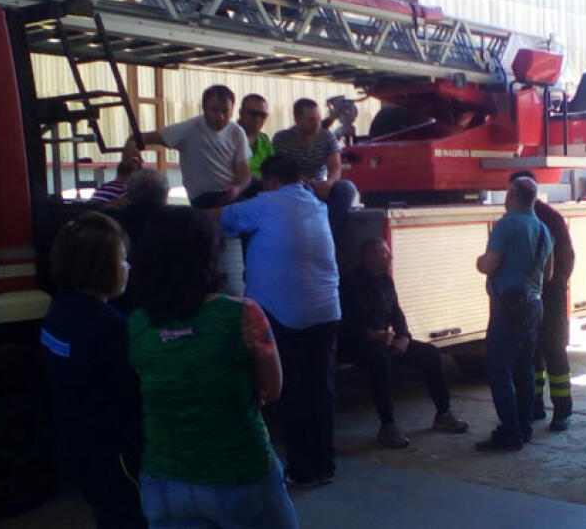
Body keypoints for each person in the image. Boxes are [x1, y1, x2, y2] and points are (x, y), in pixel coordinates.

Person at [127, 206, 296, 529]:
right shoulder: (243, 315)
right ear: (208, 253)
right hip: (239, 474)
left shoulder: (136, 323)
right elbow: (273, 390)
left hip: (163, 482)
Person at [220, 155, 341, 487]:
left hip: (288, 313)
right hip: (326, 310)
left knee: (292, 393)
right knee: (320, 390)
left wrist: (230, 195)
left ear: (270, 181)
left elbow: (219, 220)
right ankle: (324, 465)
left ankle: (302, 470)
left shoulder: (268, 202)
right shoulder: (315, 203)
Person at [39, 212, 145, 529]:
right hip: (117, 456)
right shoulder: (111, 328)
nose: (129, 267)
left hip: (77, 443)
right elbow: (137, 392)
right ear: (100, 268)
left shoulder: (58, 311)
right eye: (123, 259)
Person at [340, 237, 470, 448]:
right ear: (369, 256)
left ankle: (443, 414)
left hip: (386, 340)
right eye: (384, 253)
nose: (390, 257)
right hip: (358, 343)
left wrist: (403, 337)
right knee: (381, 362)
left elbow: (396, 312)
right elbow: (343, 325)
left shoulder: (386, 280)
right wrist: (371, 336)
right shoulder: (349, 285)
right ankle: (388, 427)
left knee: (430, 353)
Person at [474, 177, 554, 451]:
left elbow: (490, 263)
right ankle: (524, 426)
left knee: (498, 368)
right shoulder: (543, 228)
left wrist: (480, 262)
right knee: (524, 367)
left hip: (510, 305)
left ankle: (509, 431)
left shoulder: (507, 224)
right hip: (534, 304)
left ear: (511, 195)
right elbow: (550, 273)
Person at [509, 170, 576, 432]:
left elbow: (566, 257)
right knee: (532, 351)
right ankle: (535, 405)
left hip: (545, 292)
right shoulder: (542, 217)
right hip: (539, 292)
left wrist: (556, 285)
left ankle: (561, 410)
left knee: (552, 349)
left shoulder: (543, 217)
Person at [122, 84, 251, 208]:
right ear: (204, 109)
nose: (220, 117)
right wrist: (130, 144)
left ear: (232, 110)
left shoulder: (237, 132)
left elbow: (244, 174)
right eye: (214, 110)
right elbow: (141, 138)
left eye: (225, 111)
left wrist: (237, 189)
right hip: (204, 197)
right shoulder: (188, 129)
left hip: (231, 193)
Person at [272, 98, 358, 241]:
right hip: (296, 185)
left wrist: (328, 183)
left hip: (321, 185)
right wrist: (311, 183)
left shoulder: (327, 137)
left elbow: (335, 167)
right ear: (297, 119)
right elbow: (285, 170)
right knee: (304, 191)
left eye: (318, 119)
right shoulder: (282, 138)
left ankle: (331, 235)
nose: (317, 124)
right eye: (311, 120)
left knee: (347, 188)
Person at [109, 168, 170, 315]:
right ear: (166, 193)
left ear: (128, 194)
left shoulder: (111, 221)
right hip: (169, 303)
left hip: (120, 302)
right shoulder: (183, 222)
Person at [238, 93, 274, 183]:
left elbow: (276, 167)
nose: (258, 118)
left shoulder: (264, 138)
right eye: (253, 114)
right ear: (241, 113)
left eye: (263, 115)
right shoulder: (230, 136)